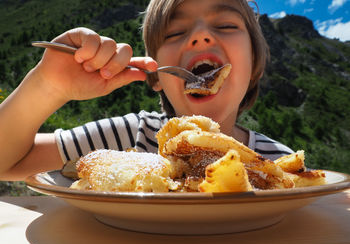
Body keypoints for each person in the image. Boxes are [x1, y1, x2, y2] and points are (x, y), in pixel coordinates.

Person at [0, 0, 293, 181]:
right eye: (175, 32)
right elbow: (8, 163)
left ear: (254, 65)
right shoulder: (130, 138)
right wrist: (47, 87)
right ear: (156, 78)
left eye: (226, 25)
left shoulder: (280, 164)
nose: (201, 36)